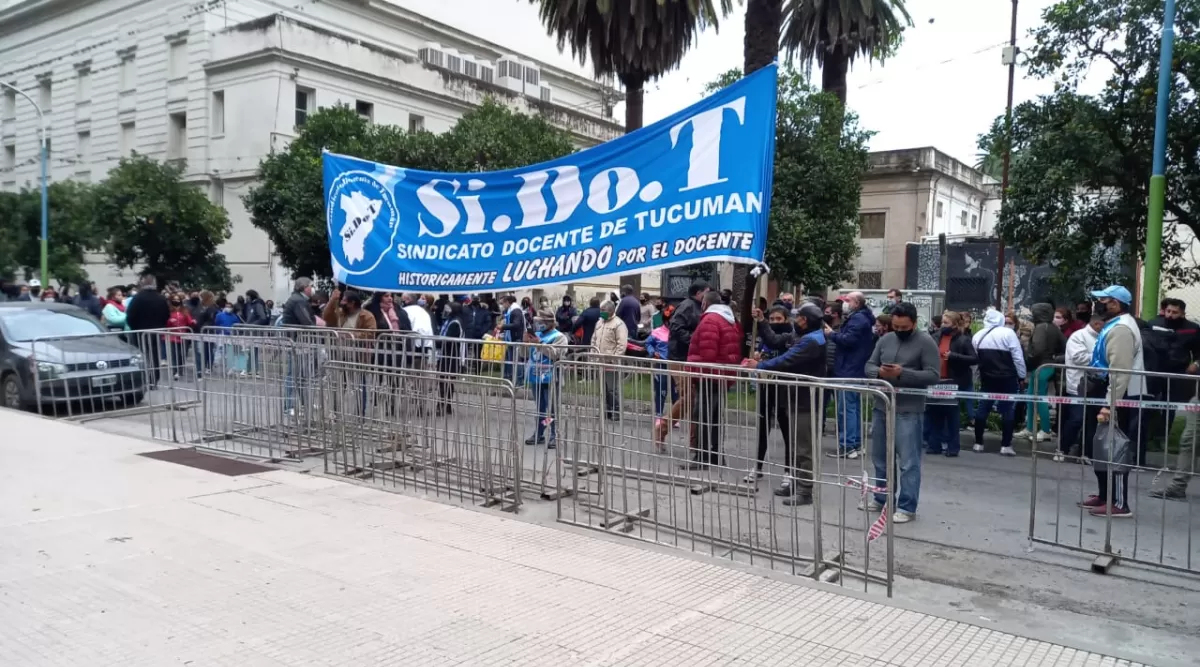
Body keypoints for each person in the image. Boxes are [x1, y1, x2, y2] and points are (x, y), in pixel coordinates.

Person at [863, 301, 940, 523]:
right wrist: (879, 372)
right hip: (881, 406)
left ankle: (907, 506)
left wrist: (902, 374)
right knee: (880, 458)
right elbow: (868, 365)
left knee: (908, 461)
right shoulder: (885, 339)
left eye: (904, 328)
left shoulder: (926, 342)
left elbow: (933, 375)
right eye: (895, 326)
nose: (899, 331)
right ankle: (881, 498)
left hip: (909, 410)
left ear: (914, 323)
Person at [747, 303, 826, 504]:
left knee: (803, 448)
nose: (794, 321)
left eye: (797, 317)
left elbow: (785, 360)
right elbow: (775, 341)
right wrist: (763, 322)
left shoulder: (811, 342)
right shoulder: (802, 337)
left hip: (805, 400)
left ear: (805, 321)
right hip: (795, 397)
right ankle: (797, 483)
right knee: (797, 444)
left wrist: (760, 365)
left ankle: (805, 490)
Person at [1084, 285, 1148, 518]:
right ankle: (1104, 495)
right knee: (1101, 446)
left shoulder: (1121, 329)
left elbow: (1120, 372)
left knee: (1115, 448)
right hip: (1110, 393)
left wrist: (1109, 405)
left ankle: (1119, 503)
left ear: (1116, 304)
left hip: (1119, 396)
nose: (1100, 304)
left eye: (1105, 300)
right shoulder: (1115, 325)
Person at [685, 290, 744, 469]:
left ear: (704, 303)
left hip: (709, 376)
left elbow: (707, 353)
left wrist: (697, 372)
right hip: (723, 375)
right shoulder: (729, 319)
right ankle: (716, 454)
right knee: (716, 416)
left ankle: (702, 456)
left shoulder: (710, 320)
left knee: (703, 415)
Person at [972, 307, 1027, 456]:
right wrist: (1022, 376)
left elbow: (977, 358)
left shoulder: (978, 335)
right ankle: (1006, 445)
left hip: (987, 377)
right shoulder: (1008, 333)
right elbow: (1017, 357)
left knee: (983, 408)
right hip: (1007, 377)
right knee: (1008, 409)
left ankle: (978, 443)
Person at [828, 291, 875, 459]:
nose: (845, 303)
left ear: (857, 303)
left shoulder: (857, 319)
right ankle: (854, 443)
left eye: (848, 300)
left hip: (849, 368)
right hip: (853, 367)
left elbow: (848, 340)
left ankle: (847, 445)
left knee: (846, 409)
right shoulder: (862, 318)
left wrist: (831, 334)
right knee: (852, 408)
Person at [925, 311, 976, 457]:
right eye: (942, 322)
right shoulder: (935, 337)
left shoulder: (963, 340)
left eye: (946, 323)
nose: (942, 326)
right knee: (934, 413)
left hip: (954, 381)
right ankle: (934, 445)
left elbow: (974, 358)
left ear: (954, 324)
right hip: (936, 380)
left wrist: (953, 356)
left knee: (952, 415)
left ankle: (953, 447)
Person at [665, 281, 709, 444]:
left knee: (693, 400)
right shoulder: (687, 306)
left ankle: (694, 442)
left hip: (690, 358)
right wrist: (694, 342)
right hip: (680, 358)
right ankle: (662, 427)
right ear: (698, 293)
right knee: (688, 398)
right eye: (706, 292)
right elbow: (676, 328)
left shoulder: (699, 307)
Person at [1058, 314, 1104, 462]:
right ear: (1097, 324)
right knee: (1076, 419)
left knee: (1091, 421)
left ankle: (1085, 453)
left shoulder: (1104, 336)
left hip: (1097, 385)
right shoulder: (1078, 337)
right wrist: (1102, 358)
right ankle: (1063, 448)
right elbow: (1079, 358)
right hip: (1078, 384)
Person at [1022, 303, 1067, 442]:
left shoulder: (1041, 327)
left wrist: (1029, 359)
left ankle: (1045, 430)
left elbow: (1038, 349)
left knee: (1038, 398)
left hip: (1041, 366)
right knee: (1032, 397)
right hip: (1047, 366)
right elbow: (1065, 345)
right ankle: (1030, 428)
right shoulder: (1054, 328)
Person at [525, 310, 569, 446]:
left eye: (542, 322)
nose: (539, 324)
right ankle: (539, 432)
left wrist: (540, 345)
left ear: (550, 323)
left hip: (551, 377)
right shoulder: (536, 335)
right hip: (535, 376)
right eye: (538, 322)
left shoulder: (559, 337)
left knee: (553, 408)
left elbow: (556, 354)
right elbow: (525, 353)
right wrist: (525, 342)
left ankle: (555, 435)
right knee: (540, 408)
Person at [638, 304, 675, 447]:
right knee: (661, 392)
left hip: (674, 366)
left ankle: (672, 418)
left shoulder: (677, 333)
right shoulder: (657, 332)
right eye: (669, 320)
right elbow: (648, 344)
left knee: (676, 393)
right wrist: (653, 353)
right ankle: (659, 415)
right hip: (661, 365)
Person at [125, 275, 170, 385]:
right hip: (156, 331)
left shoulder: (137, 298)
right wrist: (161, 326)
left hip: (140, 332)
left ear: (143, 284)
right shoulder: (161, 298)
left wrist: (134, 327)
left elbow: (130, 316)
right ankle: (154, 379)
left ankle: (143, 379)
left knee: (141, 355)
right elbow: (166, 315)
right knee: (154, 355)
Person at [593, 300, 629, 420]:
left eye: (603, 310)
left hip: (610, 362)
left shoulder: (619, 324)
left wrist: (614, 359)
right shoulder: (599, 322)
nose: (601, 312)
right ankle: (605, 411)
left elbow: (622, 345)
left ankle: (615, 412)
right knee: (602, 389)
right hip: (599, 361)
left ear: (611, 311)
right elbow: (594, 339)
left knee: (612, 389)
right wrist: (593, 354)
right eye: (601, 310)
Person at [436, 301, 468, 415]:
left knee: (444, 381)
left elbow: (448, 340)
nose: (446, 312)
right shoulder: (452, 320)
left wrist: (437, 341)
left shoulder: (455, 323)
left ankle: (442, 405)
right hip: (449, 355)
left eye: (448, 310)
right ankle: (447, 405)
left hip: (450, 356)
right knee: (447, 381)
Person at [496, 294, 526, 385]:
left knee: (516, 361)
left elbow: (516, 325)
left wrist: (503, 326)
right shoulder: (510, 310)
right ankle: (510, 378)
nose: (502, 305)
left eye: (503, 303)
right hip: (511, 339)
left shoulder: (515, 311)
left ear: (507, 302)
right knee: (511, 360)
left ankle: (519, 380)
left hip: (516, 338)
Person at [165, 294, 196, 381]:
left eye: (178, 299)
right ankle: (175, 371)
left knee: (182, 354)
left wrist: (193, 322)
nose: (176, 301)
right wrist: (169, 321)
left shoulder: (185, 311)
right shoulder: (169, 311)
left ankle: (180, 369)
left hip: (183, 336)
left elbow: (189, 321)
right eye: (174, 299)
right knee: (174, 354)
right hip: (173, 336)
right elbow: (165, 323)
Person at [401, 293, 434, 370]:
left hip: (411, 345)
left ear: (407, 300)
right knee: (420, 372)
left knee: (409, 372)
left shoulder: (405, 311)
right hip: (424, 345)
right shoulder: (423, 311)